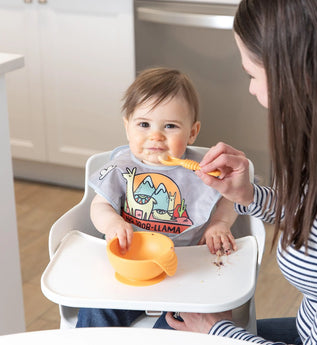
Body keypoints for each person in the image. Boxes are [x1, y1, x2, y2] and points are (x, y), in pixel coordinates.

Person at [164, 0, 317, 344]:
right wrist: (249, 195)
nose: (251, 89)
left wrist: (217, 331)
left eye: (252, 74)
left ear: (295, 72)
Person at [76, 67, 238, 328]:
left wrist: (219, 224)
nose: (155, 136)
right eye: (143, 124)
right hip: (130, 269)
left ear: (192, 132)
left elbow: (229, 197)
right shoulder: (122, 166)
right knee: (95, 308)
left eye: (170, 126)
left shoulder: (203, 170)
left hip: (186, 273)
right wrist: (113, 224)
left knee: (179, 330)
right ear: (127, 127)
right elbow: (100, 205)